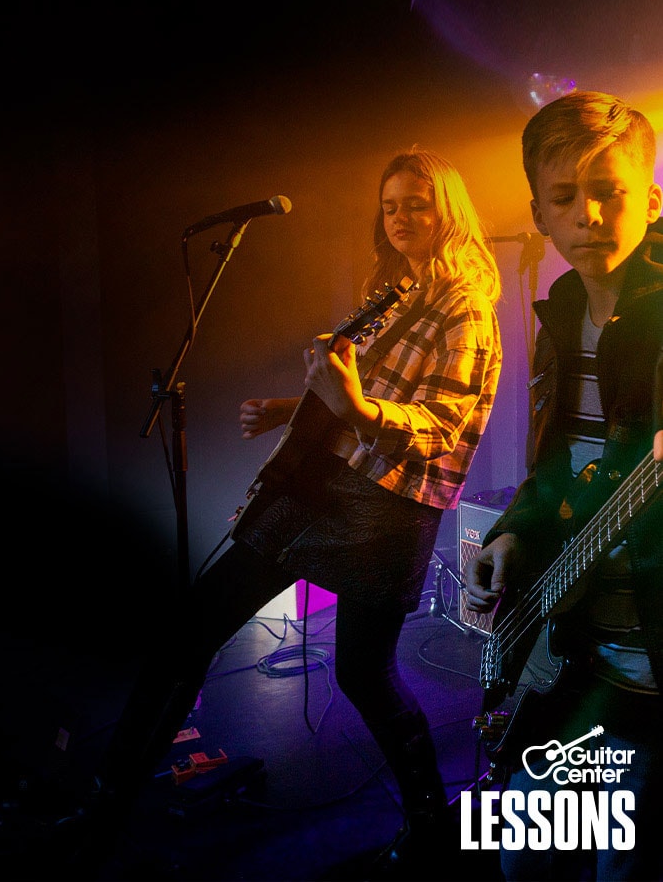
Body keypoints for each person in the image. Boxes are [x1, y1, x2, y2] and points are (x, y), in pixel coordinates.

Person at [73, 146, 502, 880]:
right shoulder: (396, 289)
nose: (400, 216)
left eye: (416, 204)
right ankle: (105, 803)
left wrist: (354, 405)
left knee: (363, 674)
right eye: (390, 203)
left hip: (382, 509)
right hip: (323, 489)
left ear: (448, 212)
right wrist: (292, 408)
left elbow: (446, 424)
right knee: (193, 629)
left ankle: (431, 820)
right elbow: (355, 394)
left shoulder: (464, 302)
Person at [464, 90, 663, 881]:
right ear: (540, 215)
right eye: (564, 197)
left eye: (610, 191)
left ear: (650, 196)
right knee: (524, 861)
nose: (588, 213)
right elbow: (554, 468)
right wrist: (513, 529)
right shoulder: (562, 313)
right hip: (573, 645)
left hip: (650, 661)